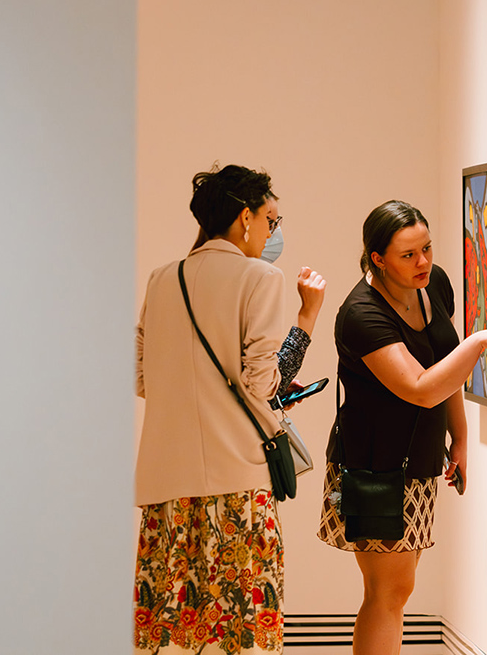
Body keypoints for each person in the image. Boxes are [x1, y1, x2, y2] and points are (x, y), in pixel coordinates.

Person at [133, 164, 327, 654]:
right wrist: (306, 317)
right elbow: (261, 382)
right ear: (245, 218)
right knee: (243, 636)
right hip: (238, 487)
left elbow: (141, 376)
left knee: (175, 636)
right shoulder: (261, 277)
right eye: (271, 220)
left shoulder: (162, 279)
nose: (272, 233)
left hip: (167, 490)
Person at [317, 200, 487, 655]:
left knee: (398, 591)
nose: (423, 262)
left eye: (426, 248)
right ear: (378, 259)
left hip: (417, 465)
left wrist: (461, 438)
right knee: (387, 593)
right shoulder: (361, 314)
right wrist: (479, 342)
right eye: (408, 255)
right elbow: (422, 386)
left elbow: (443, 367)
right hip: (373, 470)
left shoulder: (435, 285)